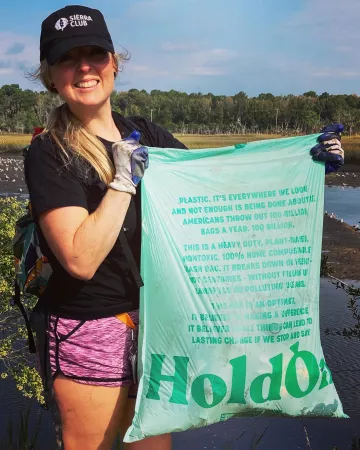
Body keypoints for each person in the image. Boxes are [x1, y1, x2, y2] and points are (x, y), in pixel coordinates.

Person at [25, 5, 344, 450]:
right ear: (50, 76)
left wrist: (301, 165)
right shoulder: (49, 152)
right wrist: (122, 181)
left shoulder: (146, 134)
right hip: (91, 328)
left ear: (114, 62)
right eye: (66, 57)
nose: (84, 66)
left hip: (162, 325)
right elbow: (80, 258)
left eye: (95, 53)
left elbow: (219, 185)